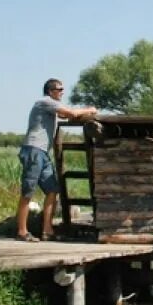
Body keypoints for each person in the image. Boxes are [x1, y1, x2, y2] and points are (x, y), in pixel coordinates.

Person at [15, 78, 98, 242]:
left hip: (43, 152)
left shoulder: (51, 107)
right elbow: (71, 113)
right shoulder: (45, 102)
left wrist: (82, 114)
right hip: (33, 150)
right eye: (60, 89)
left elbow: (65, 115)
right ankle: (22, 232)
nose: (62, 92)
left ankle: (47, 230)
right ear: (50, 91)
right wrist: (90, 109)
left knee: (53, 189)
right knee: (28, 191)